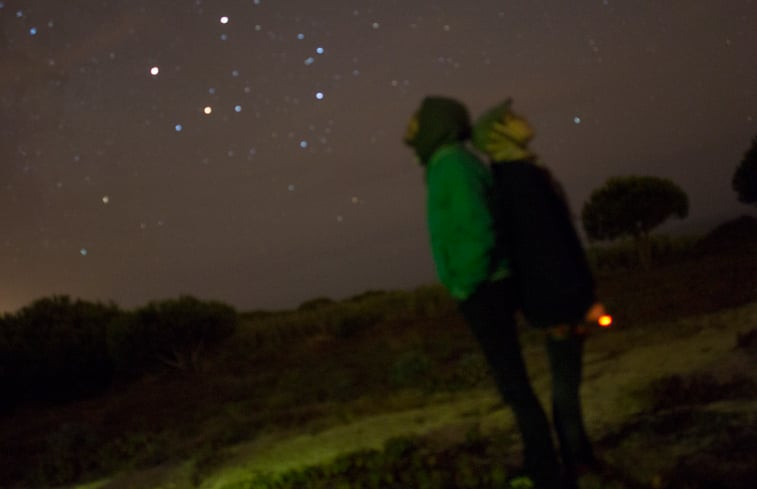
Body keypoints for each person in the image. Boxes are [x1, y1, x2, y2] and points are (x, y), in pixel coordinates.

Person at [404, 95, 565, 489]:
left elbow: (476, 228)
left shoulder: (452, 165)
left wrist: (465, 284)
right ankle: (541, 461)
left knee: (513, 383)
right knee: (512, 382)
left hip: (485, 287)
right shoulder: (448, 164)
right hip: (487, 284)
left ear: (436, 124)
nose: (410, 124)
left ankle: (544, 469)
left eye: (418, 118)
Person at [471, 98, 606, 489]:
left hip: (551, 297)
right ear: (498, 135)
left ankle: (577, 458)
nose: (522, 120)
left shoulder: (513, 177)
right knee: (566, 382)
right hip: (558, 298)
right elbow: (550, 247)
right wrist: (584, 298)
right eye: (511, 119)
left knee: (567, 380)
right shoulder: (521, 179)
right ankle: (578, 462)